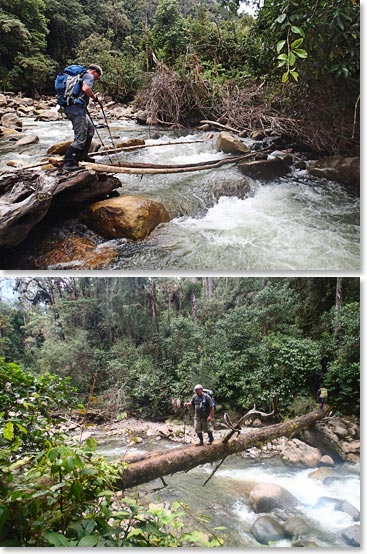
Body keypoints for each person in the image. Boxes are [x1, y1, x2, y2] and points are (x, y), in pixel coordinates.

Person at [63, 64, 104, 171]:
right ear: (94, 72)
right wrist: (96, 98)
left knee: (90, 129)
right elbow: (86, 88)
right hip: (76, 110)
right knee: (80, 138)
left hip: (72, 108)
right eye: (97, 77)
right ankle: (68, 162)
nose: (95, 79)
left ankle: (83, 155)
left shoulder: (77, 76)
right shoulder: (88, 76)